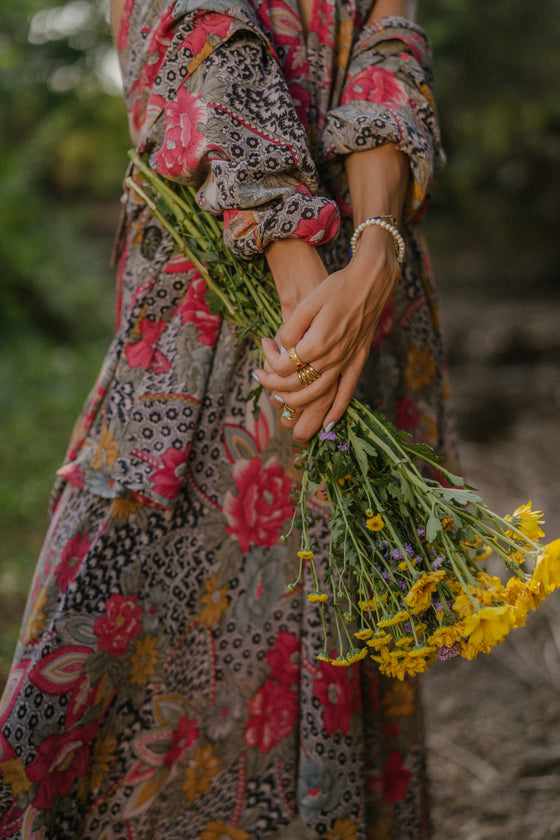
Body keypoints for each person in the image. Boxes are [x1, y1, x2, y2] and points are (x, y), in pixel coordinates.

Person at [0, 0, 455, 836]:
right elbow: (196, 32)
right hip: (224, 281)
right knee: (133, 648)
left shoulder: (366, 276)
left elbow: (393, 38)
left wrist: (377, 252)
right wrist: (300, 269)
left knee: (340, 621)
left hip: (361, 290)